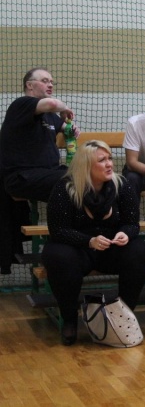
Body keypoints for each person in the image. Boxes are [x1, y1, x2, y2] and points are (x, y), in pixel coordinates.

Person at [41, 140, 145, 346]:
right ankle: (69, 319)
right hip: (78, 248)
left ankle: (123, 315)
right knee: (58, 255)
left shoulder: (122, 185)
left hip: (110, 248)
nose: (109, 164)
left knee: (140, 250)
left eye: (110, 158)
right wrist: (89, 241)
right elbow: (59, 231)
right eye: (102, 160)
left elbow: (131, 224)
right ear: (86, 166)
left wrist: (125, 234)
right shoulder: (64, 188)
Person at [0, 67, 79, 274]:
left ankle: (76, 238)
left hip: (48, 174)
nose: (50, 84)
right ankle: (64, 241)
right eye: (44, 81)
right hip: (22, 177)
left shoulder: (49, 116)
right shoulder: (21, 104)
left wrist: (70, 128)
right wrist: (64, 107)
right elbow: (52, 104)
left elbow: (64, 127)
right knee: (72, 181)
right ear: (29, 85)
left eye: (52, 81)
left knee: (89, 177)